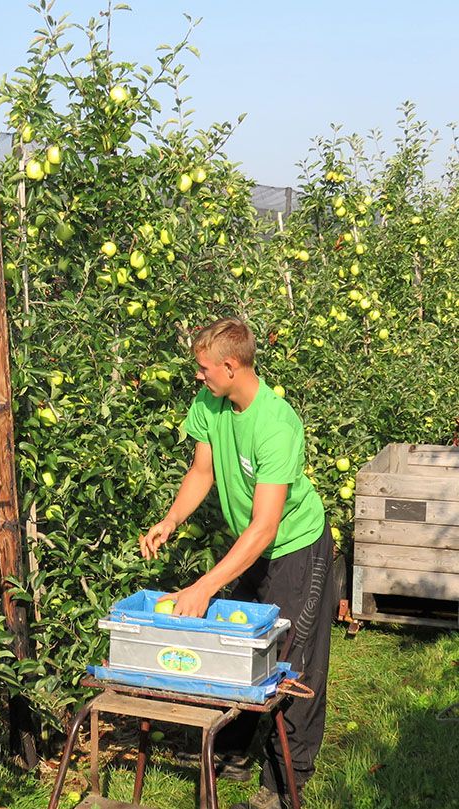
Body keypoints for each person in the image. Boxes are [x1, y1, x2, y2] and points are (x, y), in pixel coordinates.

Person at [138, 317, 334, 809]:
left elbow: (266, 527)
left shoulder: (276, 423)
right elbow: (202, 470)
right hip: (251, 546)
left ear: (230, 366)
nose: (198, 377)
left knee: (293, 663)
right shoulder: (211, 401)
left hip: (295, 548)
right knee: (238, 648)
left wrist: (204, 586)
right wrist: (171, 518)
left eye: (204, 369)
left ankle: (284, 783)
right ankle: (233, 752)